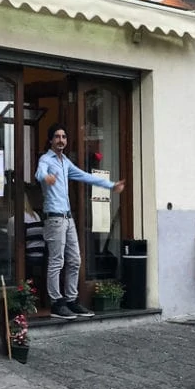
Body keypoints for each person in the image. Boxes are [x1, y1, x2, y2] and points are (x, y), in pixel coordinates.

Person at [35, 122, 125, 319]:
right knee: (57, 261)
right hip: (54, 219)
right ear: (50, 140)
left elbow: (85, 176)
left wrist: (111, 184)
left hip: (68, 218)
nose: (61, 140)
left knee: (75, 259)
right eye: (57, 136)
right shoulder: (46, 159)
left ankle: (71, 300)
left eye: (64, 137)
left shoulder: (65, 161)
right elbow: (39, 172)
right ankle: (56, 303)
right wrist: (46, 177)